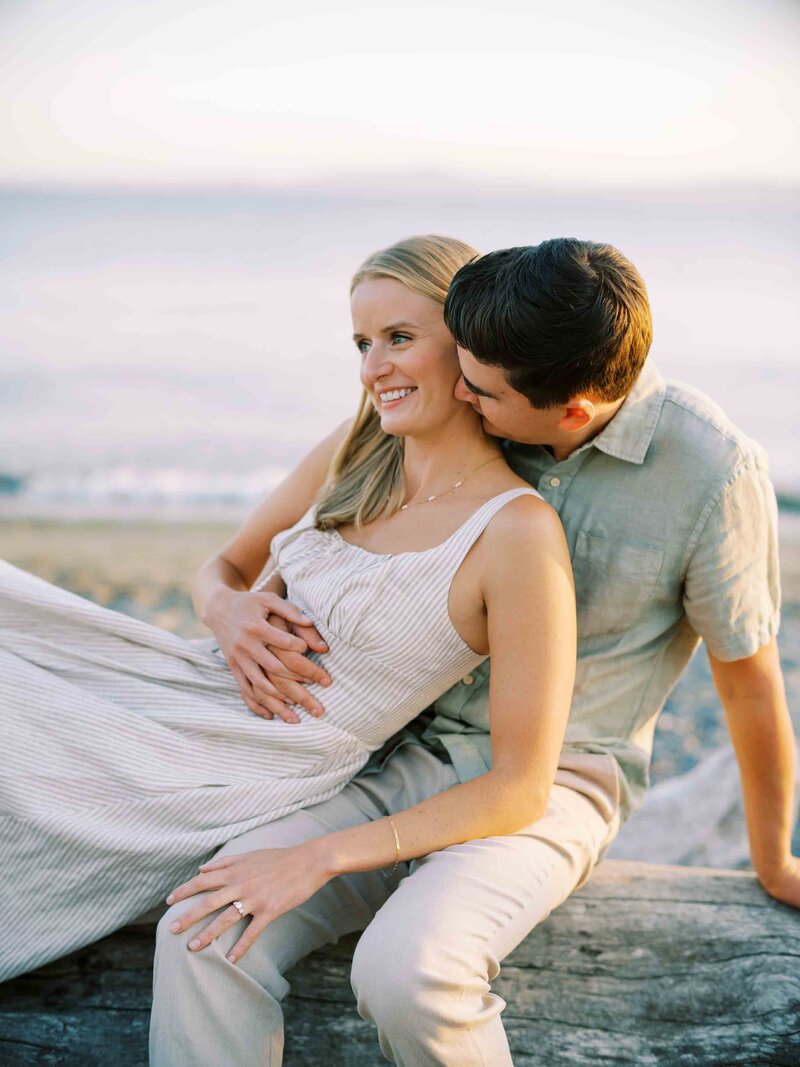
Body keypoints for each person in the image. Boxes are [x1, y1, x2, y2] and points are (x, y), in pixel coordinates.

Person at [156, 237, 798, 1066]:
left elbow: (748, 686)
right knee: (205, 924)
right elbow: (284, 537)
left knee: (409, 970)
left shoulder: (709, 472)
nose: (462, 390)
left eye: (482, 389)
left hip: (556, 781)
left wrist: (774, 856)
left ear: (568, 411)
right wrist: (231, 607)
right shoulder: (498, 377)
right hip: (398, 760)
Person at [0, 236, 588, 1014]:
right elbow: (222, 567)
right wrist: (226, 610)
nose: (372, 367)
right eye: (363, 342)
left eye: (400, 339)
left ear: (473, 347)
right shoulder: (353, 451)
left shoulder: (515, 532)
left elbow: (520, 788)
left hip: (241, 761)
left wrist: (322, 855)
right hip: (182, 685)